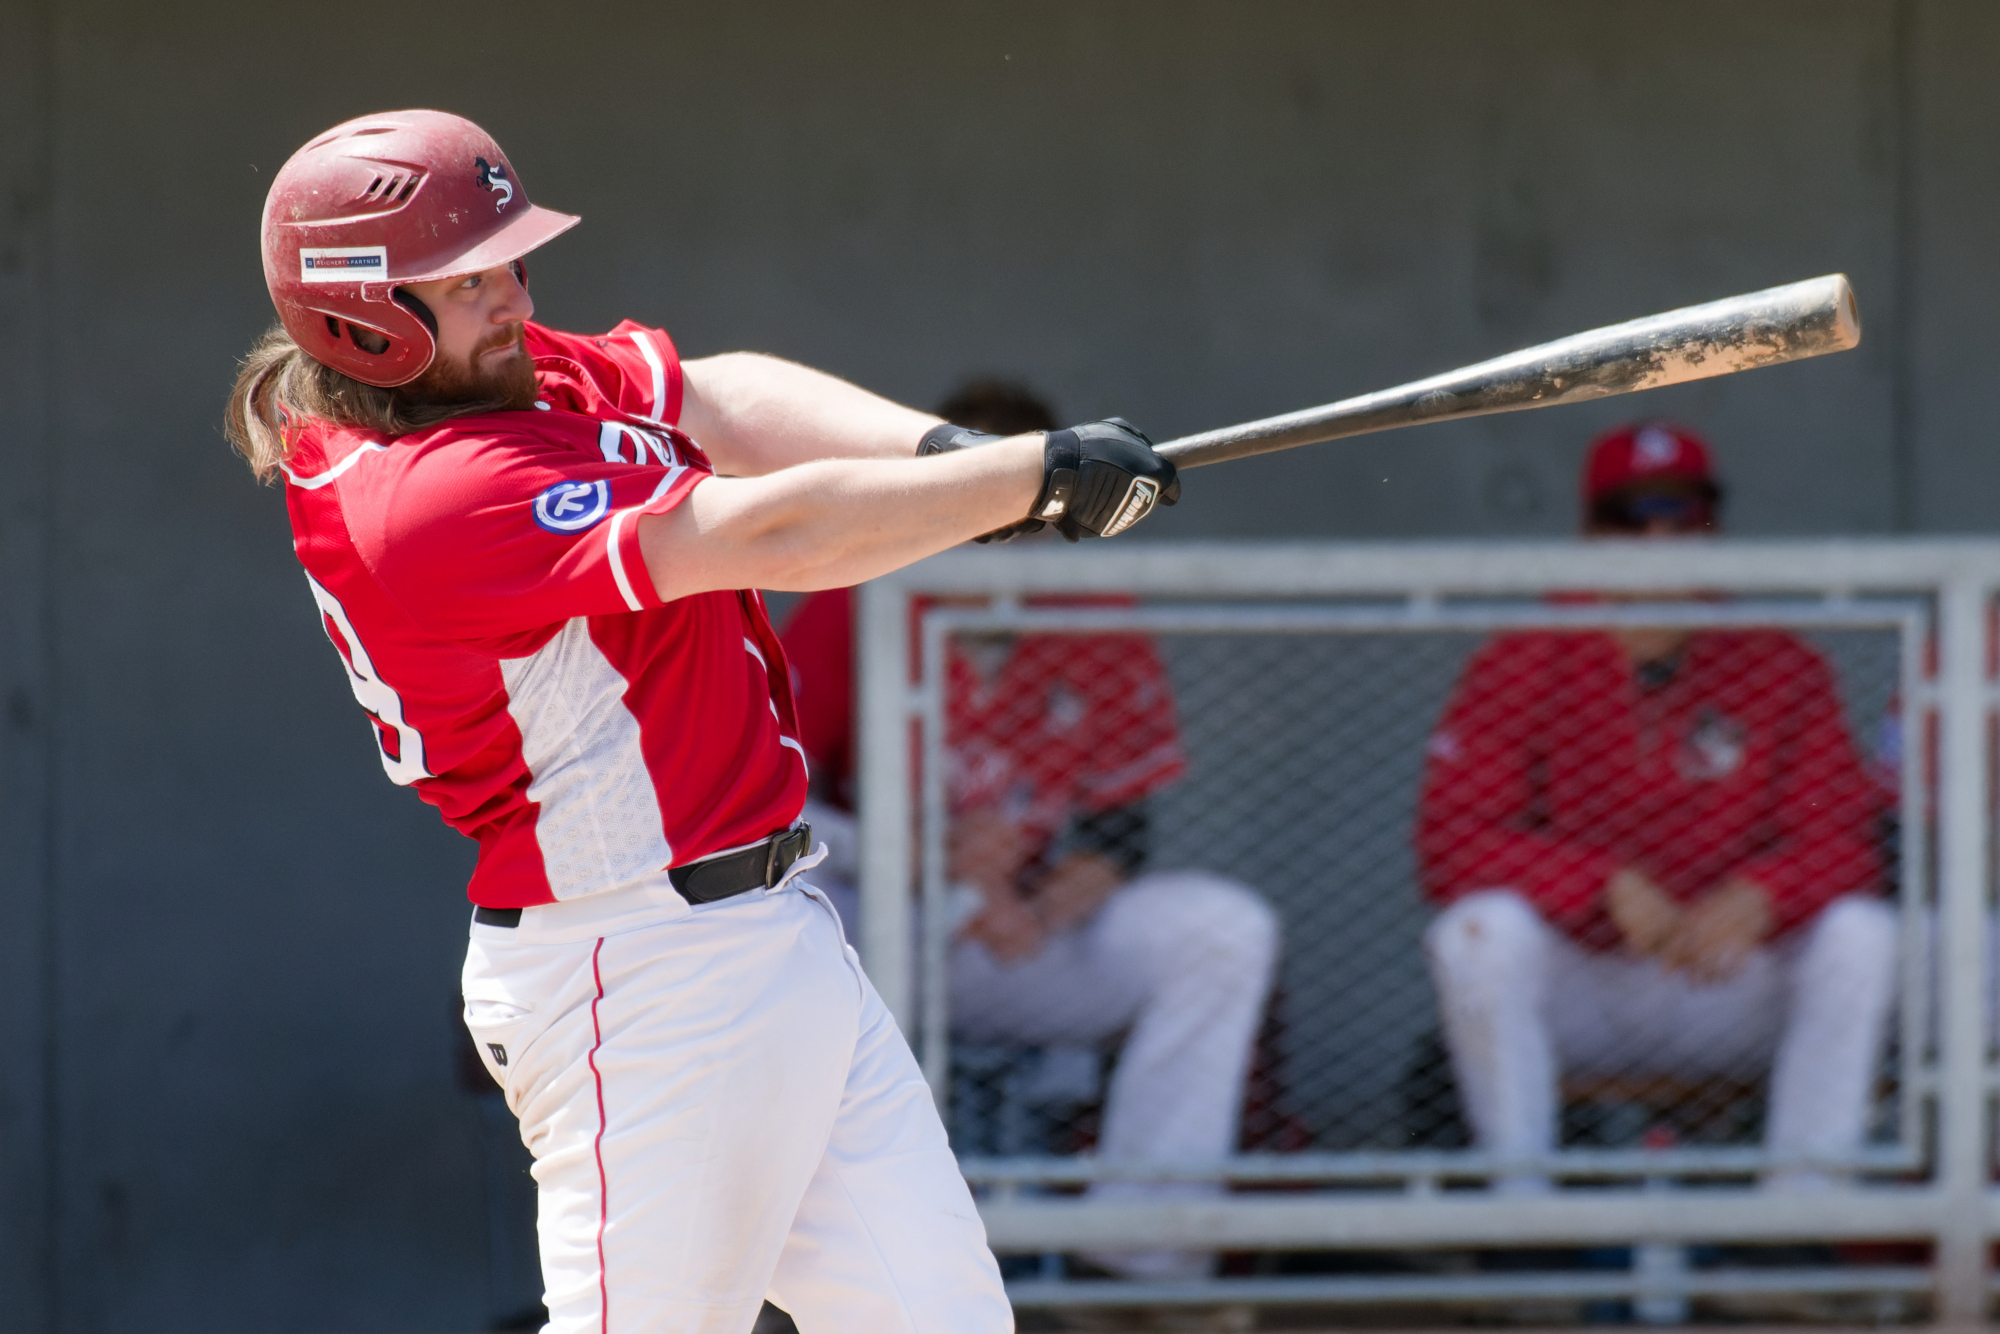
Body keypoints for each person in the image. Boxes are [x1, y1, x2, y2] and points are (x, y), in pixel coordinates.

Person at [225, 111, 1183, 1334]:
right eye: (468, 282)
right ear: (364, 320)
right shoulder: (428, 496)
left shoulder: (475, 377)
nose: (514, 297)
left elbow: (717, 397)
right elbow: (770, 531)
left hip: (766, 929)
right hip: (638, 970)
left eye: (508, 263)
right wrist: (1018, 482)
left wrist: (956, 459)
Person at [780, 380, 1278, 1287]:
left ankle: (1142, 1256)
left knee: (1221, 930)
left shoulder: (1091, 615)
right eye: (974, 504)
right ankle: (812, 1267)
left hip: (1025, 936)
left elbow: (1122, 831)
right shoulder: (855, 594)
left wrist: (1044, 902)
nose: (999, 532)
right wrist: (916, 857)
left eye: (1018, 507)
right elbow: (771, 801)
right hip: (883, 941)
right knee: (771, 926)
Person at [1416, 421, 1896, 1191]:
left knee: (1862, 935)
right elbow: (1449, 840)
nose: (1658, 538)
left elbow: (1849, 842)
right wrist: (1598, 885)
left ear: (1714, 530)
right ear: (1589, 533)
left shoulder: (1779, 662)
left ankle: (1803, 1210)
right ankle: (1521, 1207)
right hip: (1588, 987)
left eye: (1683, 514)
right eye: (1630, 516)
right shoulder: (1525, 655)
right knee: (1476, 935)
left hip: (1726, 983)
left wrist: (1766, 893)